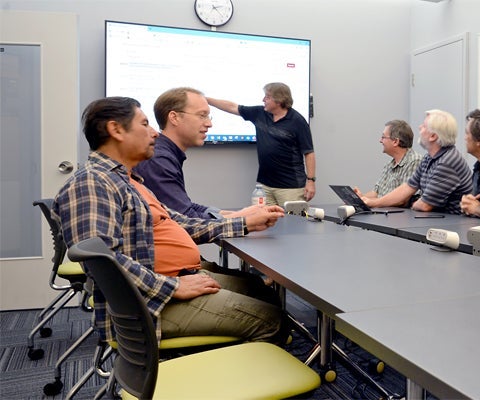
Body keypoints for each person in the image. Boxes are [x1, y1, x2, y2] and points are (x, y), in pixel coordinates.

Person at [53, 97, 289, 345]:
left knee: (259, 290)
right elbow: (102, 262)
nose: (154, 132)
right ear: (116, 130)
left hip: (167, 282)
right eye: (145, 124)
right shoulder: (92, 182)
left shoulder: (131, 182)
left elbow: (183, 224)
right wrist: (172, 287)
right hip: (148, 305)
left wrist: (244, 223)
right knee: (272, 319)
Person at [135, 87, 266, 219]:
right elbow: (185, 220)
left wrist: (229, 214)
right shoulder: (159, 159)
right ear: (174, 118)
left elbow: (185, 206)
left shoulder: (165, 153)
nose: (209, 124)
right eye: (202, 115)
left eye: (208, 116)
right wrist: (240, 218)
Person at [207, 82, 316, 206]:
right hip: (264, 187)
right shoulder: (260, 113)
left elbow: (309, 153)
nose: (263, 100)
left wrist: (311, 181)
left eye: (267, 97)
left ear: (279, 100)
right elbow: (232, 107)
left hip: (291, 188)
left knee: (294, 223)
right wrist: (206, 100)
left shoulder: (297, 121)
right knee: (265, 223)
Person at [360, 109, 472, 214]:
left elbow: (424, 205)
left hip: (452, 227)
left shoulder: (447, 162)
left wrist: (411, 204)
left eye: (424, 126)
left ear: (433, 136)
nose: (419, 127)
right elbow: (407, 188)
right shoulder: (429, 158)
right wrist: (373, 202)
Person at [356, 120, 422, 198]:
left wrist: (372, 203)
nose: (380, 141)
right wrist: (359, 198)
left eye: (383, 137)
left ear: (395, 141)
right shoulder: (389, 165)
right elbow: (376, 192)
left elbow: (404, 199)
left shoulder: (415, 161)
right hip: (382, 209)